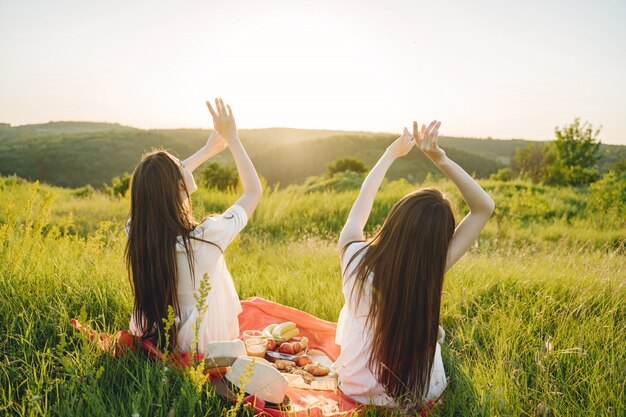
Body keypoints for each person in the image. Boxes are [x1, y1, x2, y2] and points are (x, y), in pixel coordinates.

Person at [332, 120, 495, 408]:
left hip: (355, 389)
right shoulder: (431, 271)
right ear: (438, 243)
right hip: (420, 394)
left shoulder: (353, 257)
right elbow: (484, 207)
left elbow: (365, 197)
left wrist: (389, 154)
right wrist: (439, 158)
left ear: (394, 220)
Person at [125, 98, 262, 354]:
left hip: (157, 334)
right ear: (178, 185)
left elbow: (155, 191)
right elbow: (254, 191)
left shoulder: (137, 231)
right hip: (203, 344)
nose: (186, 166)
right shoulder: (208, 236)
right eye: (181, 166)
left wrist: (207, 150)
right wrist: (233, 139)